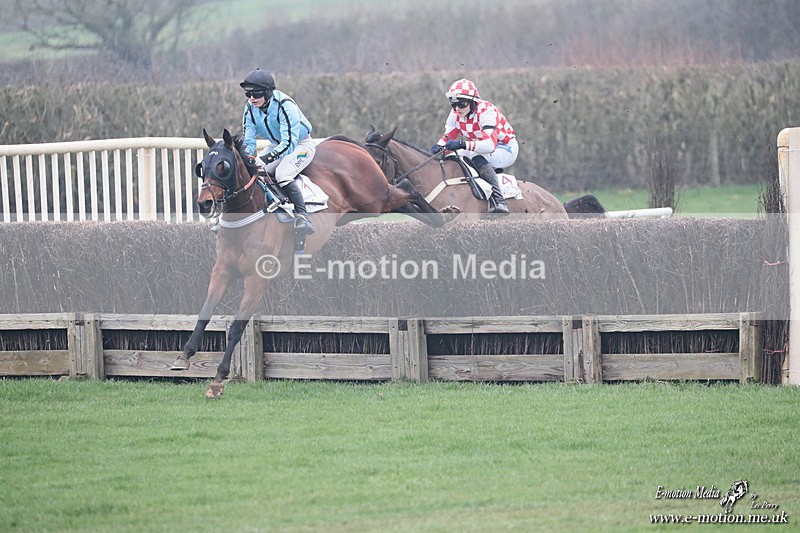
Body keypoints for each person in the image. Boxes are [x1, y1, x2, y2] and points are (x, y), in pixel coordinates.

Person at [239, 68, 316, 234]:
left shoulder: (285, 105)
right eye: (248, 94)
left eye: (256, 93)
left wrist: (266, 158)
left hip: (300, 144)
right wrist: (248, 157)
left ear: (268, 92)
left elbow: (289, 143)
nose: (252, 98)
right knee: (256, 173)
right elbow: (249, 140)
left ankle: (302, 217)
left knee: (283, 174)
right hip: (276, 144)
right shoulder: (250, 109)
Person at [430, 79, 517, 214]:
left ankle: (499, 200)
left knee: (475, 155)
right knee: (453, 156)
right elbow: (450, 134)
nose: (457, 109)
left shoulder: (486, 112)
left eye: (462, 104)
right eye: (454, 104)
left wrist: (462, 144)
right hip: (483, 146)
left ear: (473, 102)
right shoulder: (456, 113)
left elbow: (489, 145)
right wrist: (439, 146)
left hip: (504, 147)